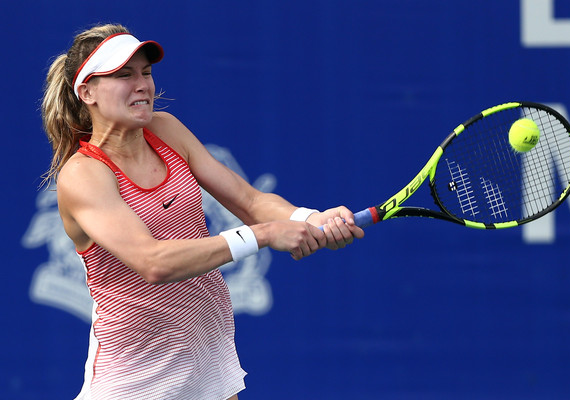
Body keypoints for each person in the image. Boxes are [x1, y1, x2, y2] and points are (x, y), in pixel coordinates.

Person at [41, 23, 364, 400]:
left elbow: (249, 201)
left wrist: (307, 218)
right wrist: (263, 235)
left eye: (146, 72)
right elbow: (153, 261)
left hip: (208, 360)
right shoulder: (83, 175)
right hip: (133, 379)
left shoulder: (166, 130)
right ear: (87, 91)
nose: (142, 84)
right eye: (124, 75)